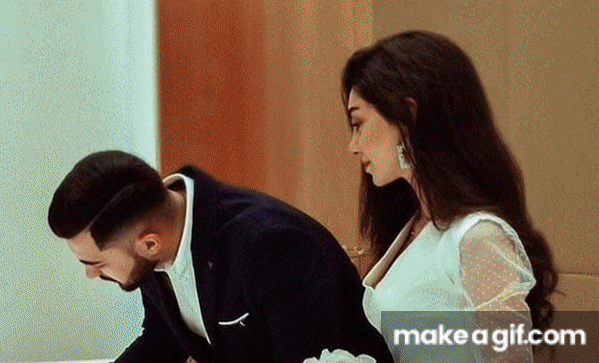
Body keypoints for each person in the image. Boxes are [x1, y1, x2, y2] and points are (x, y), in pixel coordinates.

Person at [48, 150, 392, 363]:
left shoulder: (271, 245)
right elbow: (162, 339)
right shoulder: (154, 238)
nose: (91, 275)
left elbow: (303, 357)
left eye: (96, 263)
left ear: (149, 243)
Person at [341, 30, 557, 362]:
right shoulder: (415, 225)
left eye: (358, 124)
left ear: (409, 116)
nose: (353, 146)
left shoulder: (479, 237)